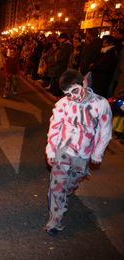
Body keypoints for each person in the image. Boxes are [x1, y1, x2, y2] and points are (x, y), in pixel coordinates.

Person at [45, 69, 112, 236]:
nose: (73, 96)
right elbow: (54, 127)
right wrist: (51, 150)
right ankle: (55, 220)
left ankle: (65, 194)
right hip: (63, 149)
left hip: (83, 154)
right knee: (57, 185)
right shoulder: (63, 104)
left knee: (71, 184)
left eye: (74, 90)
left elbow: (105, 130)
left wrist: (97, 154)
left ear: (84, 83)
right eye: (68, 94)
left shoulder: (100, 104)